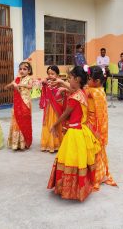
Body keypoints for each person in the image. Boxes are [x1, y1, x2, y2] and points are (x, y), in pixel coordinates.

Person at [47, 66, 101, 202]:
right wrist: (63, 85)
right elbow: (72, 90)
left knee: (69, 159)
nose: (68, 80)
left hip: (74, 132)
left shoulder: (74, 98)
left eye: (70, 78)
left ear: (77, 79)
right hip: (81, 130)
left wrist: (55, 124)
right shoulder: (82, 92)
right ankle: (79, 188)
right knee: (79, 161)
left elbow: (65, 115)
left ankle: (70, 189)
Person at [85, 66, 117, 190]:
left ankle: (96, 175)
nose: (87, 81)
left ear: (97, 81)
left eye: (89, 79)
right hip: (91, 122)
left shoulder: (95, 92)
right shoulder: (96, 89)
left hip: (94, 125)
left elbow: (80, 93)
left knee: (94, 148)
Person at [6, 61, 33, 150]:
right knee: (16, 121)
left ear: (29, 71)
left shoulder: (29, 78)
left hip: (25, 103)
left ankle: (24, 143)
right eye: (20, 69)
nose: (22, 71)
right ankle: (16, 143)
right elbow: (7, 86)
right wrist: (13, 84)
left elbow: (30, 86)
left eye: (24, 69)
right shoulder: (17, 78)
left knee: (24, 121)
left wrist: (21, 84)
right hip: (17, 104)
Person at [39, 66, 66, 153]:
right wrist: (45, 80)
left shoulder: (60, 83)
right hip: (49, 107)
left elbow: (64, 94)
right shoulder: (46, 82)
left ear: (57, 74)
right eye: (49, 74)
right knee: (48, 123)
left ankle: (58, 143)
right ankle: (48, 144)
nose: (50, 75)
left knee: (57, 123)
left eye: (52, 73)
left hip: (58, 107)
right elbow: (42, 84)